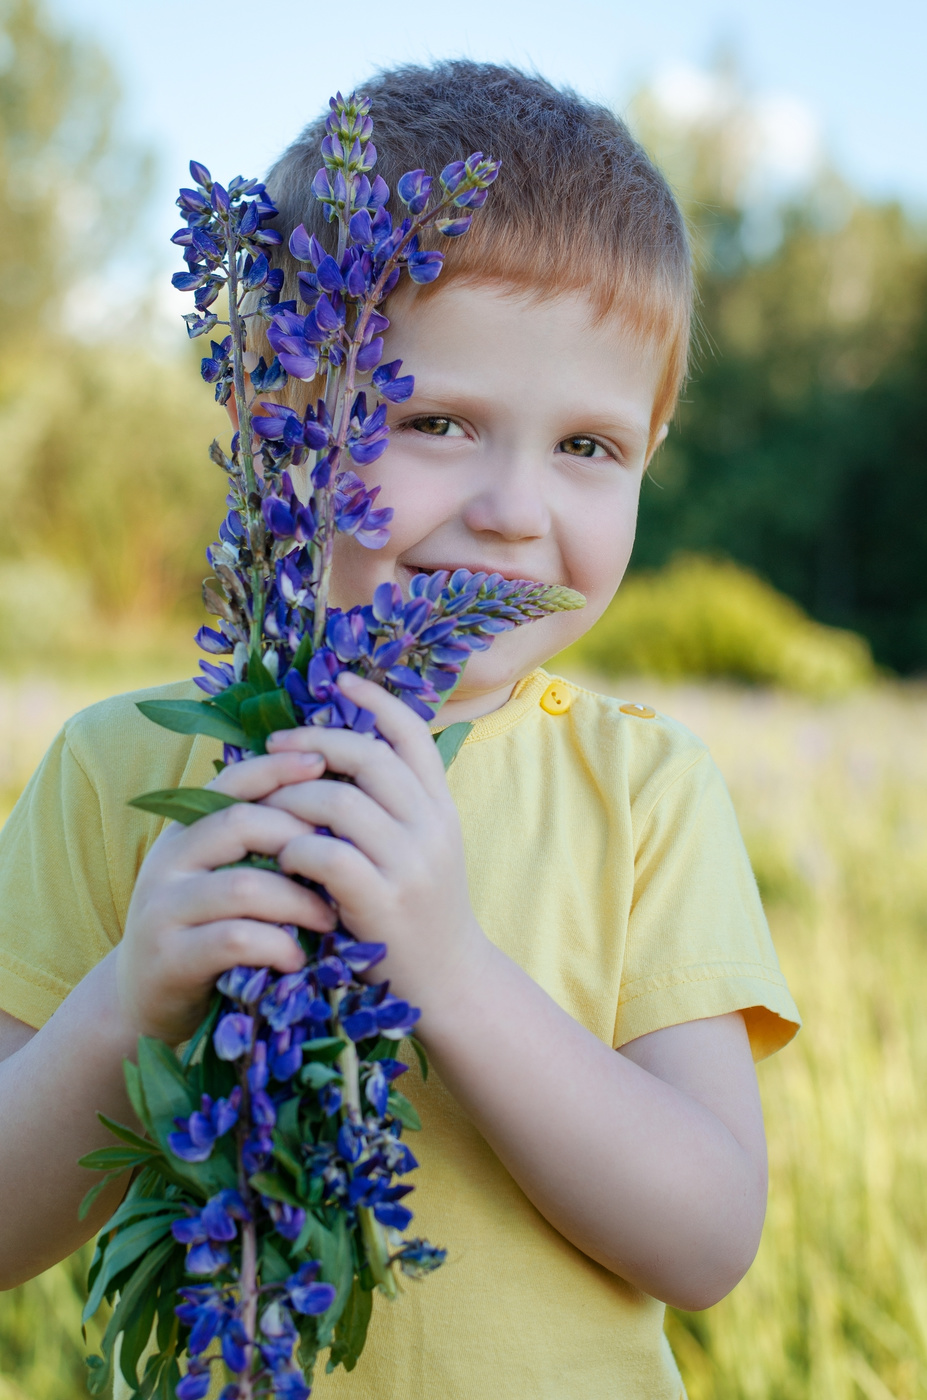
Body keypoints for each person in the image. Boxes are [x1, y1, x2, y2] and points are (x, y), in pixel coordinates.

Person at [0, 61, 799, 1400]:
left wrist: (453, 969)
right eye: (434, 421)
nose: (511, 508)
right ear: (276, 419)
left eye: (591, 449)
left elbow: (709, 1236)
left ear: (656, 451)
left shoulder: (643, 789)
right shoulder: (119, 769)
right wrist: (127, 1000)